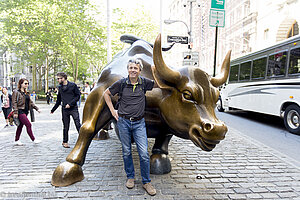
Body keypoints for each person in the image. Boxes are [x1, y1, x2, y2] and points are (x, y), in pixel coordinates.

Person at [103, 58, 156, 196]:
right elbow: (106, 94)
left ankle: (146, 181)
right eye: (131, 67)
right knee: (126, 151)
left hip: (139, 123)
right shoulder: (121, 83)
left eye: (135, 68)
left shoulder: (144, 83)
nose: (133, 70)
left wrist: (155, 71)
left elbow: (159, 85)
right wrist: (112, 111)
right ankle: (130, 177)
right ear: (128, 69)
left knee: (144, 154)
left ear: (139, 70)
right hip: (123, 122)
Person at [51, 72, 81, 148]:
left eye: (59, 78)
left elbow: (78, 96)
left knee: (77, 124)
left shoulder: (73, 85)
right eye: (57, 78)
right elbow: (59, 100)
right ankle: (65, 142)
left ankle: (82, 140)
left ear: (63, 78)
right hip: (64, 109)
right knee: (65, 126)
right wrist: (53, 109)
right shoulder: (60, 87)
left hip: (73, 108)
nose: (58, 80)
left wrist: (70, 104)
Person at [12, 78, 41, 146]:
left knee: (20, 126)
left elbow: (30, 102)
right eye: (25, 83)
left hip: (25, 111)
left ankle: (16, 140)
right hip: (20, 111)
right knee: (28, 124)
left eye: (27, 83)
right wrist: (15, 112)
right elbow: (14, 102)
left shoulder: (26, 93)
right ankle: (33, 139)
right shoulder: (16, 92)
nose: (27, 85)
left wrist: (37, 109)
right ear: (21, 84)